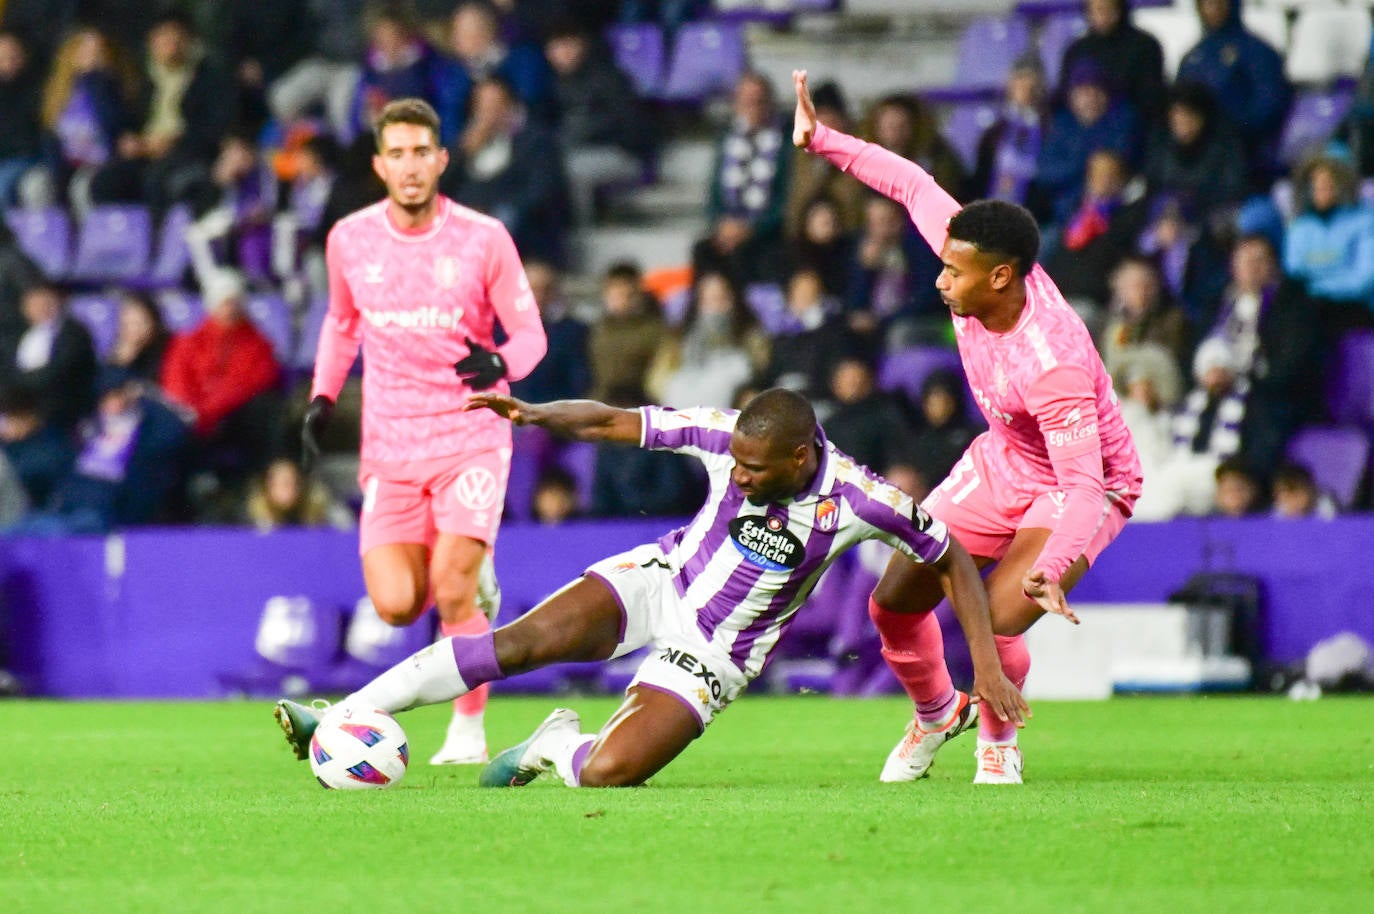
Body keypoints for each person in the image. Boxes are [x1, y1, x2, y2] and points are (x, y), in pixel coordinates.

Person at [275, 388, 1027, 788]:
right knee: (516, 644)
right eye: (736, 461)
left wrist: (983, 667)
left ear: (801, 457)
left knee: (610, 773)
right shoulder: (728, 433)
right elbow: (612, 421)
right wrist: (539, 414)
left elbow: (951, 554)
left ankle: (554, 747)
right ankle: (340, 716)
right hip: (660, 581)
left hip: (717, 654)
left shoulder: (862, 499)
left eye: (757, 470)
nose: (740, 473)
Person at [793, 69, 1142, 784]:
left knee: (1004, 615)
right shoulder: (974, 264)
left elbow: (1084, 483)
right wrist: (823, 139)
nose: (940, 280)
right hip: (1005, 460)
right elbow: (913, 185)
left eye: (955, 272)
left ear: (1004, 278)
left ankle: (999, 739)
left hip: (1081, 486)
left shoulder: (1054, 363)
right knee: (892, 603)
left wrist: (1055, 565)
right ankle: (934, 713)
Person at [299, 97, 547, 765]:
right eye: (397, 154)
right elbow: (342, 323)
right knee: (398, 603)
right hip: (391, 445)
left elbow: (530, 336)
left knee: (452, 587)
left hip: (471, 433)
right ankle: (469, 573)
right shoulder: (349, 238)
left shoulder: (483, 237)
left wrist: (502, 361)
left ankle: (467, 729)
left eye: (421, 153)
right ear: (381, 166)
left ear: (442, 159)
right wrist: (323, 396)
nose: (410, 167)